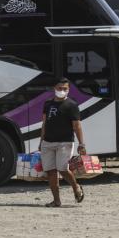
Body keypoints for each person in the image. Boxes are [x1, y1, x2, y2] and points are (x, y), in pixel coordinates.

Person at [39, 78, 85, 207]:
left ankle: (76, 186)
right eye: (60, 88)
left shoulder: (72, 105)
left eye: (65, 89)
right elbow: (44, 124)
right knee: (51, 172)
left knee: (63, 169)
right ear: (54, 89)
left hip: (65, 143)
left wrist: (82, 144)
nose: (62, 91)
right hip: (47, 142)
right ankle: (56, 201)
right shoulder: (47, 104)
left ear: (68, 90)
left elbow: (77, 126)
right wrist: (41, 141)